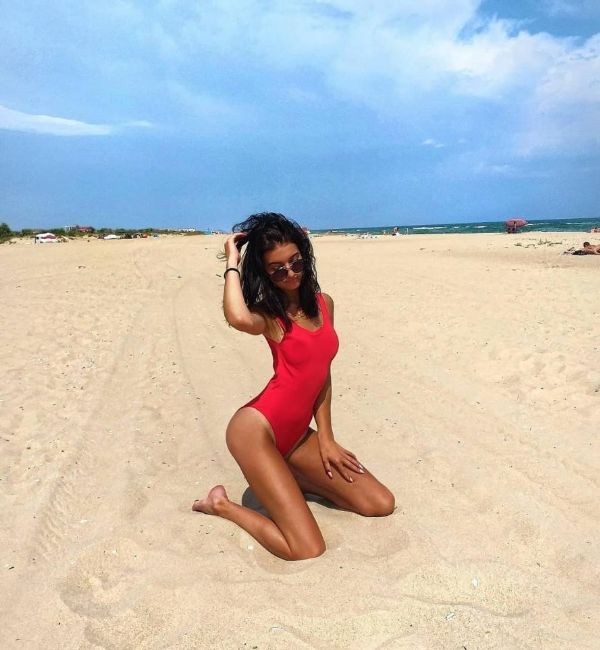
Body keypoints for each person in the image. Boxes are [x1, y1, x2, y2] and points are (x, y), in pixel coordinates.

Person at [193, 212, 395, 560]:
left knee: (380, 503)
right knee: (306, 548)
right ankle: (221, 505)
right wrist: (232, 261)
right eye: (277, 270)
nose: (290, 273)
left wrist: (326, 438)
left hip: (297, 435)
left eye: (296, 262)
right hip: (256, 432)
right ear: (265, 273)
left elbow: (321, 373)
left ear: (305, 255)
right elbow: (237, 317)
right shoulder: (270, 317)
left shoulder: (324, 304)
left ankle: (288, 475)